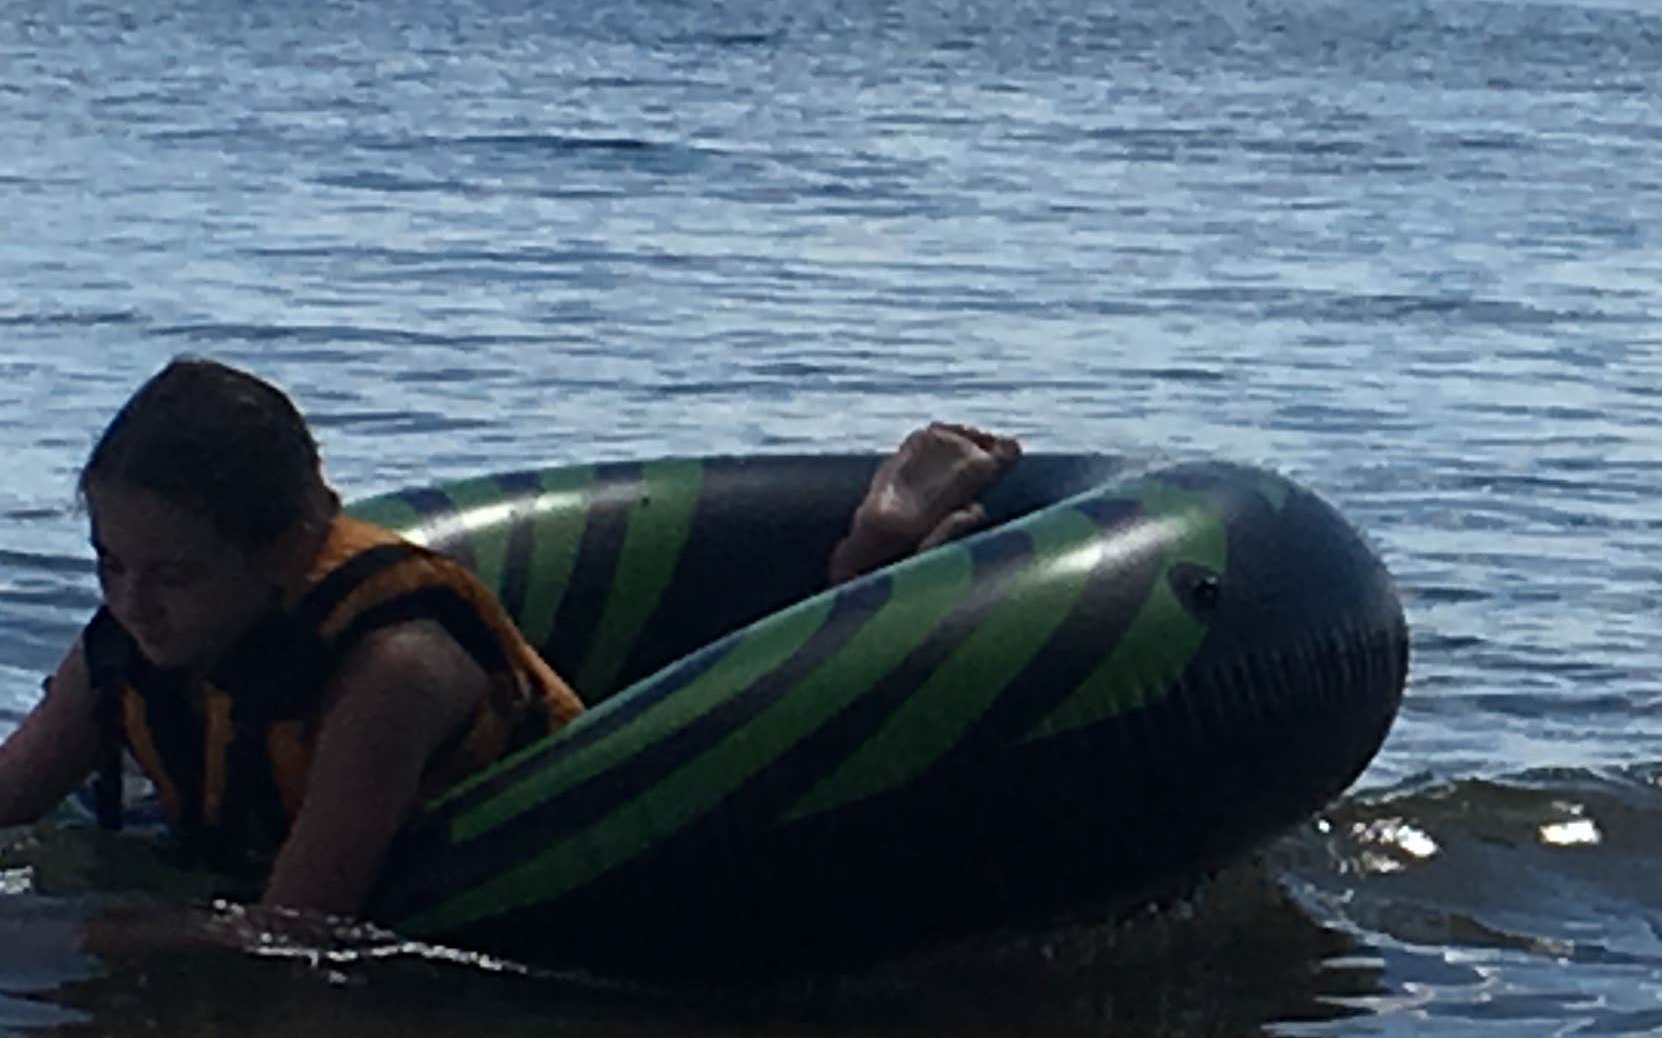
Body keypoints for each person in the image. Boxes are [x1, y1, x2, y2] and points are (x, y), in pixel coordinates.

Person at [0, 361, 1018, 926]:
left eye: (173, 574)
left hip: (639, 827)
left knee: (779, 690)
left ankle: (881, 553)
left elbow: (303, 925)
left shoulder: (390, 669)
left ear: (289, 552)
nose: (135, 602)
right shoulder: (123, 651)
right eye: (109, 565)